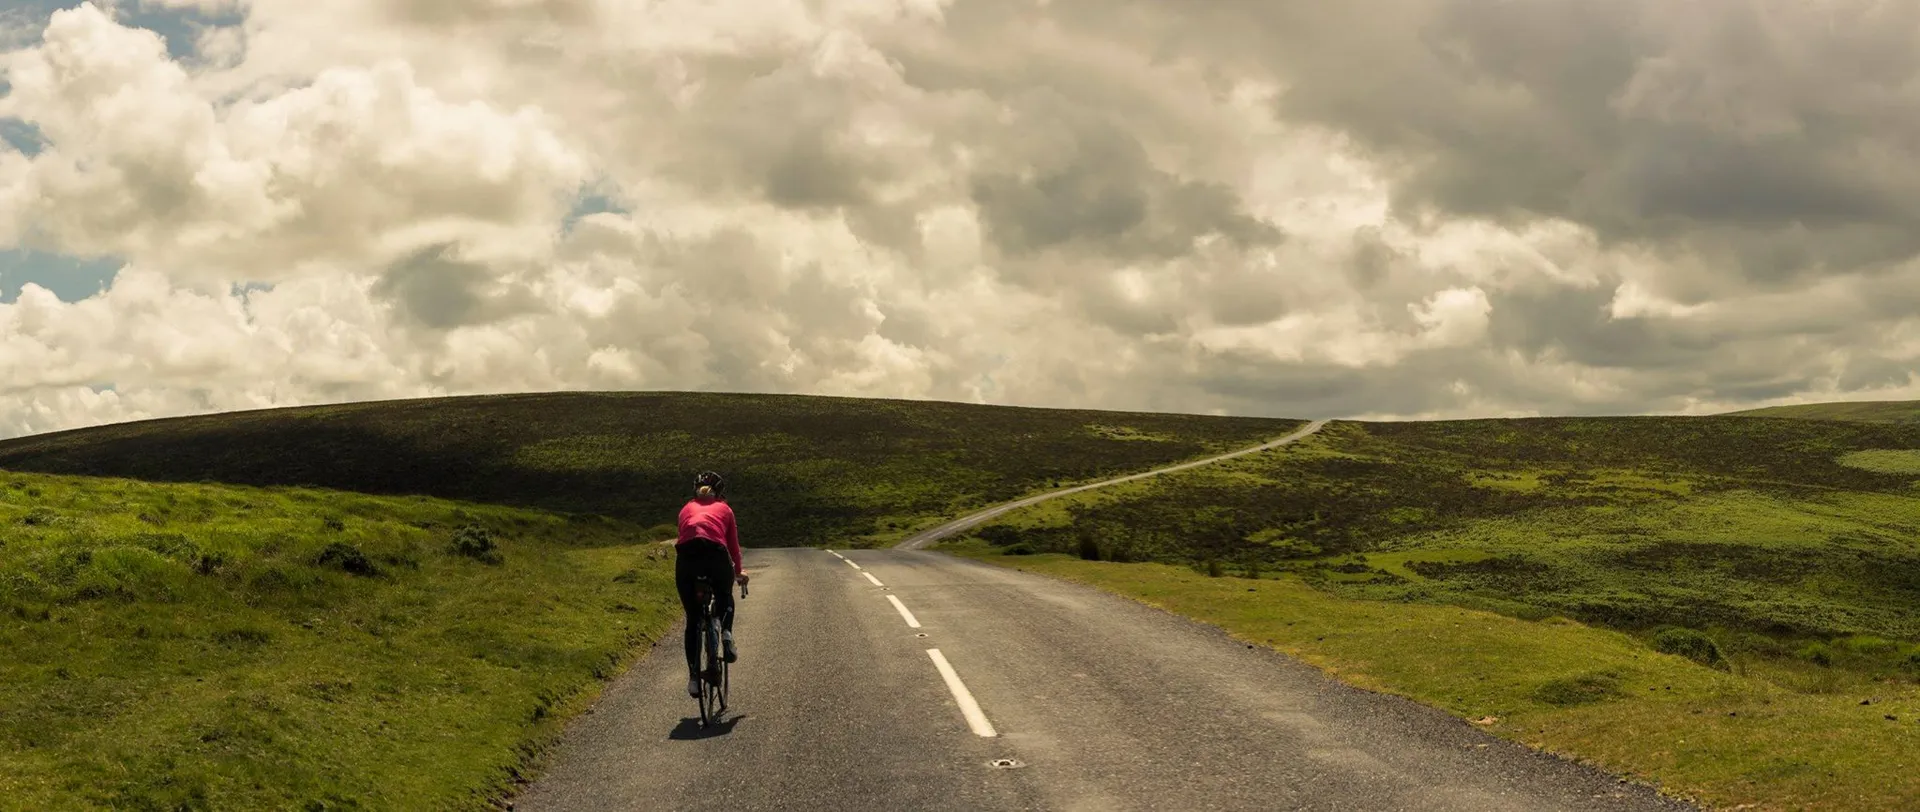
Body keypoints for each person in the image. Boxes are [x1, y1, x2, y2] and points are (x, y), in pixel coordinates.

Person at [675, 470, 747, 698]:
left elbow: (685, 534)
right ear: (720, 492)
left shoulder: (686, 509)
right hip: (715, 555)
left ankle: (694, 679)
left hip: (687, 559)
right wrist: (738, 572)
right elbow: (733, 546)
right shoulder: (725, 509)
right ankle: (726, 633)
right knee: (724, 594)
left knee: (693, 619)